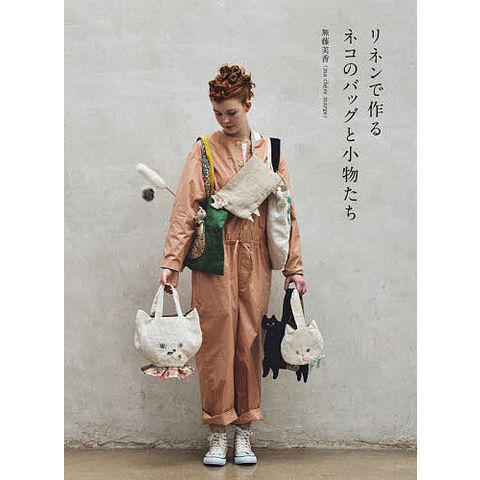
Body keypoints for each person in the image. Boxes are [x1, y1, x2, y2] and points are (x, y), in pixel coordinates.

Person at [160, 64, 306, 466]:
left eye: (231, 112)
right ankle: (217, 432)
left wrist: (294, 268)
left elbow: (285, 213)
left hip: (255, 255)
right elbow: (184, 207)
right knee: (215, 343)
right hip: (214, 255)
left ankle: (244, 431)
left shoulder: (270, 151)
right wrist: (172, 262)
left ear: (247, 105)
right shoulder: (204, 149)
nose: (224, 120)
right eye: (217, 113)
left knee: (250, 342)